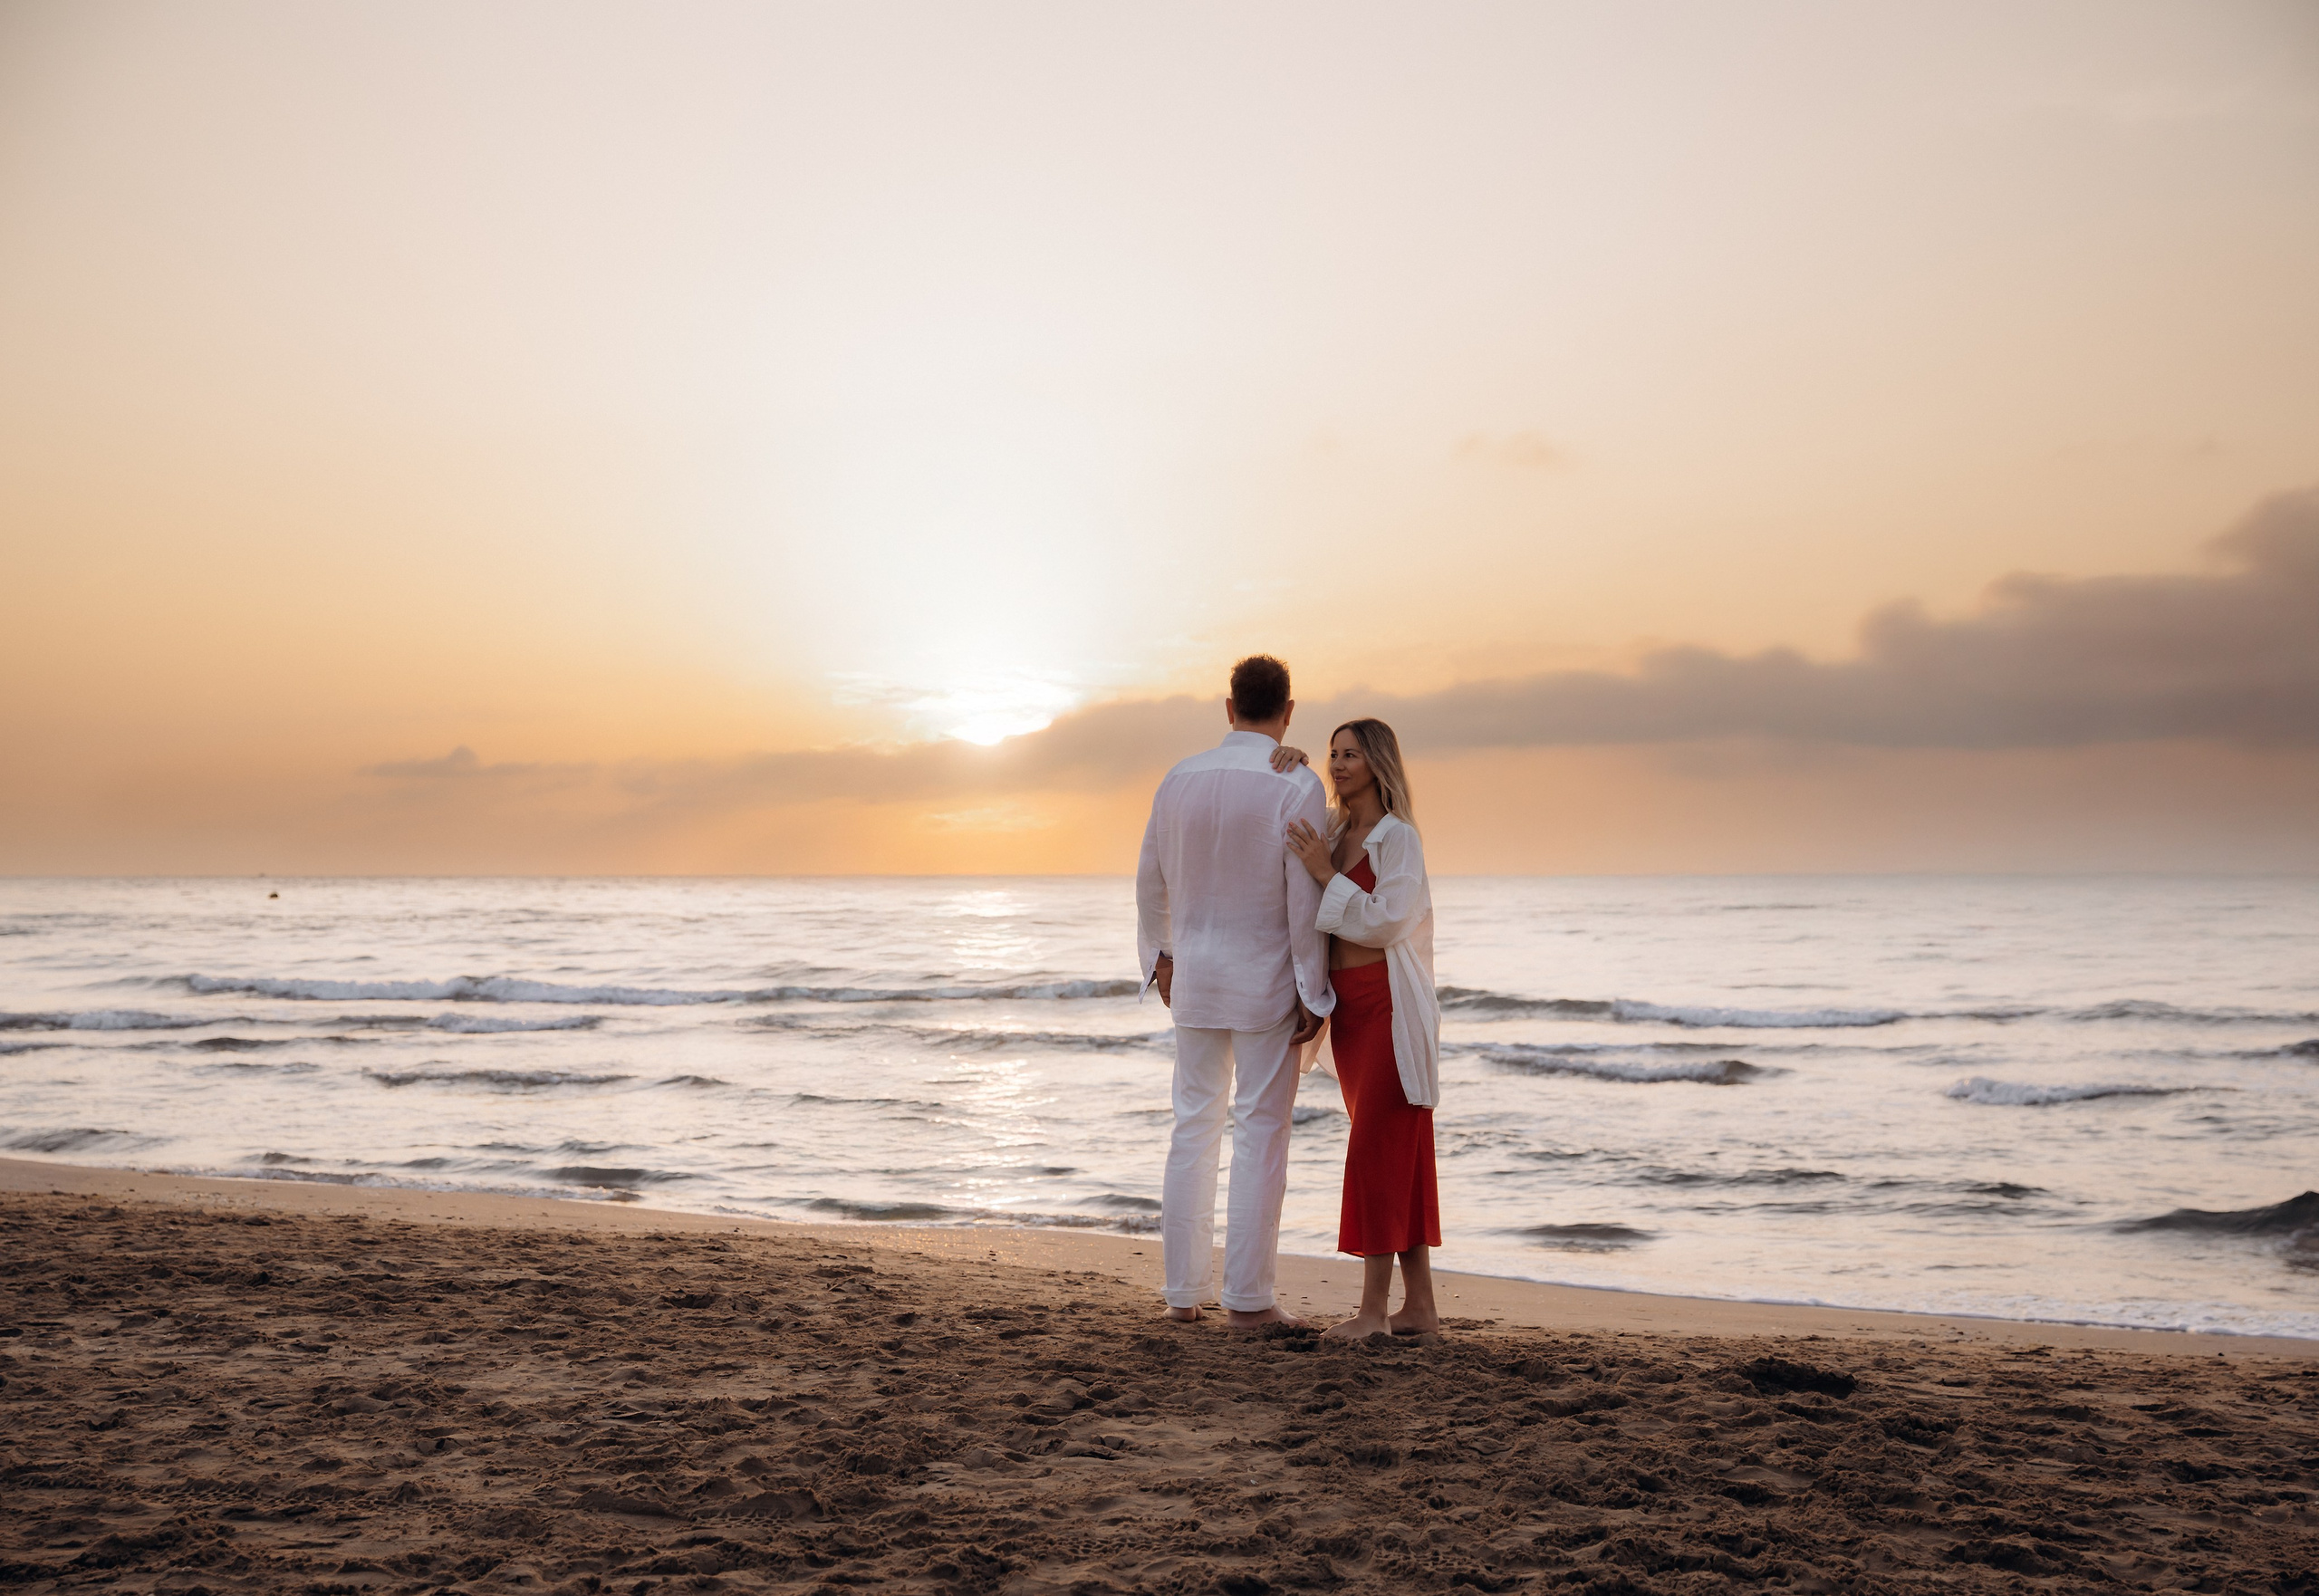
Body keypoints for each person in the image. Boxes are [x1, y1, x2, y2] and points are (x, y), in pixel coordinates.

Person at [1136, 655, 1334, 1328]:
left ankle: (1182, 1297)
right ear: (1288, 712)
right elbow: (1302, 895)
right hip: (1265, 978)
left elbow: (1150, 878)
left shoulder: (1177, 778)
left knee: (1192, 1128)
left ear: (1229, 708)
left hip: (1195, 975)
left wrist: (1162, 953)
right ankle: (1249, 1301)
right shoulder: (1297, 784)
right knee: (1260, 1132)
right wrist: (1314, 985)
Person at [1282, 718, 1442, 1340]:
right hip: (1347, 1009)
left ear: (1377, 762)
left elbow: (1383, 922)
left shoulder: (1396, 838)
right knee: (1398, 1155)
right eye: (1332, 754)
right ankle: (1420, 1308)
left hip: (1390, 1007)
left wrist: (1326, 874)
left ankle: (1374, 1314)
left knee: (1377, 1151)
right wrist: (1289, 762)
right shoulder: (1335, 829)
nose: (1339, 764)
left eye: (1351, 754)